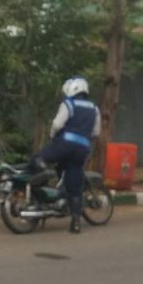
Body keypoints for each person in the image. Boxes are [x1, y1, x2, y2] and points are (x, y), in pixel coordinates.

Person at [38, 76, 101, 234]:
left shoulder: (68, 104)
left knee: (39, 158)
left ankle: (40, 195)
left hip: (64, 146)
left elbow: (57, 124)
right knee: (75, 185)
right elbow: (96, 132)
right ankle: (75, 222)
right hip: (81, 150)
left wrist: (53, 136)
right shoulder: (94, 108)